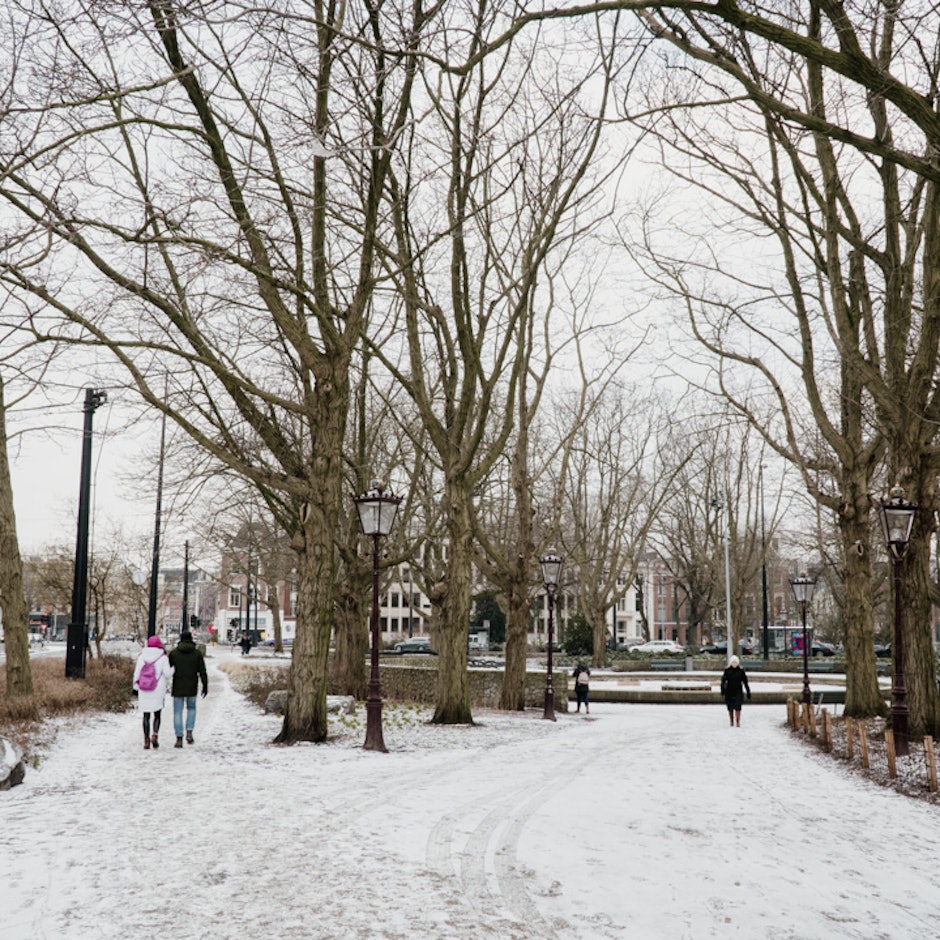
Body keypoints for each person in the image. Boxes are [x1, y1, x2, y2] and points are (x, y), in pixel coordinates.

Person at [168, 630, 209, 748]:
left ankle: (179, 737)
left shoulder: (174, 653)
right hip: (192, 686)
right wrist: (205, 685)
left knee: (177, 712)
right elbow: (202, 671)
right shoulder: (196, 654)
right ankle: (189, 732)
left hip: (178, 686)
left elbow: (168, 669)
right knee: (191, 709)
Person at [133, 636, 174, 749]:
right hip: (157, 688)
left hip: (144, 688)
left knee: (146, 715)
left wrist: (135, 686)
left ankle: (146, 740)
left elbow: (137, 673)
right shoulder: (163, 657)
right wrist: (173, 668)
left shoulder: (142, 657)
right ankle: (155, 735)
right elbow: (167, 674)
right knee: (157, 713)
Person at [720, 655, 751, 727]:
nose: (734, 664)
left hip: (738, 691)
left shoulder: (741, 671)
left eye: (735, 662)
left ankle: (738, 721)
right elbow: (723, 681)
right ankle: (731, 721)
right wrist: (722, 690)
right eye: (733, 662)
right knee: (730, 707)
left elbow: (745, 682)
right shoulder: (727, 671)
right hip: (729, 691)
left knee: (738, 706)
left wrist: (748, 691)